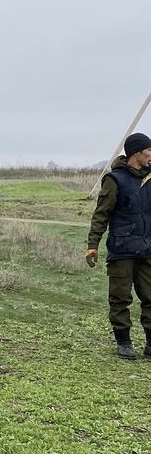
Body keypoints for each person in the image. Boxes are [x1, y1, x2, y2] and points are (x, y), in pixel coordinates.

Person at [87, 132, 151, 359]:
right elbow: (101, 215)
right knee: (120, 298)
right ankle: (124, 343)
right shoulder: (114, 180)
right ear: (136, 153)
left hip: (147, 249)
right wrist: (92, 245)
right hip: (122, 250)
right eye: (149, 150)